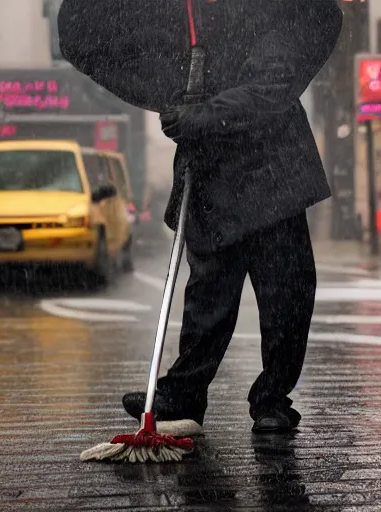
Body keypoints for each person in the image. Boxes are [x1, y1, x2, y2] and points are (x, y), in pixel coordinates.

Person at [120, 0, 343, 432]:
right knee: (207, 300)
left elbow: (272, 89)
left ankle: (273, 399)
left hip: (270, 184)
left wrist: (201, 115)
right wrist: (180, 111)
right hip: (211, 185)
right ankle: (183, 395)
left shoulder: (270, 21)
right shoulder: (191, 35)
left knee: (285, 300)